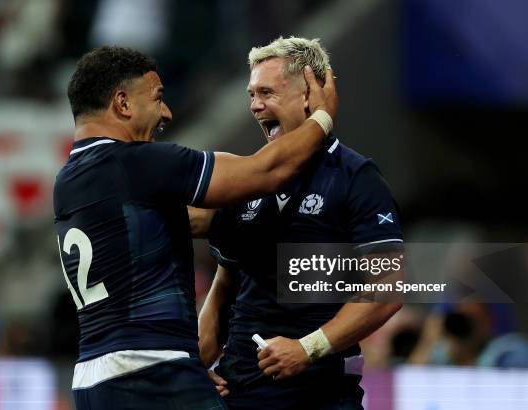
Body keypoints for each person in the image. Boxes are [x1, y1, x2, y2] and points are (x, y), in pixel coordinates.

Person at [53, 45, 337, 410]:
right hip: (152, 374)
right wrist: (323, 117)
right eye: (157, 99)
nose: (166, 112)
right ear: (122, 103)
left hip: (95, 379)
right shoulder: (138, 163)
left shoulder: (68, 179)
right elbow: (264, 172)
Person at [194, 37, 403, 409]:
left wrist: (308, 348)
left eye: (267, 92)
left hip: (319, 396)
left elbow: (388, 286)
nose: (255, 105)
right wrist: (193, 369)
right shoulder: (245, 180)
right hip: (239, 394)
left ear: (309, 94)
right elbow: (224, 288)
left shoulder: (355, 177)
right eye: (251, 93)